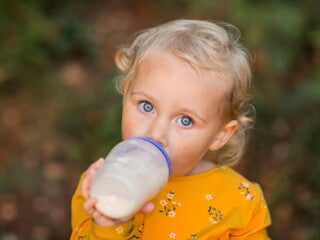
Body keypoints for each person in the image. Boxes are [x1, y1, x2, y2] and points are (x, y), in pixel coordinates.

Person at [70, 19, 271, 239]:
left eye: (185, 120)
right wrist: (108, 225)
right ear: (126, 94)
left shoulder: (239, 199)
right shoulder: (100, 185)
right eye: (147, 106)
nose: (156, 134)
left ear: (220, 134)